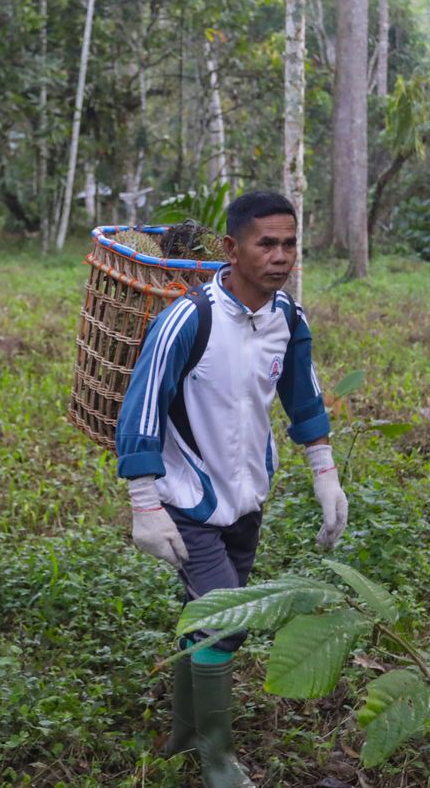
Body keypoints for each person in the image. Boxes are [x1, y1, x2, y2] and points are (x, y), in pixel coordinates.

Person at [115, 191, 348, 788]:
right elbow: (140, 409)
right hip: (188, 498)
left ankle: (184, 735)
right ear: (231, 248)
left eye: (289, 243)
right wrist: (145, 505)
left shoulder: (288, 320)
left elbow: (305, 397)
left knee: (207, 616)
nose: (280, 256)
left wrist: (326, 476)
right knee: (229, 620)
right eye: (265, 243)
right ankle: (217, 758)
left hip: (248, 498)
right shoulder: (188, 320)